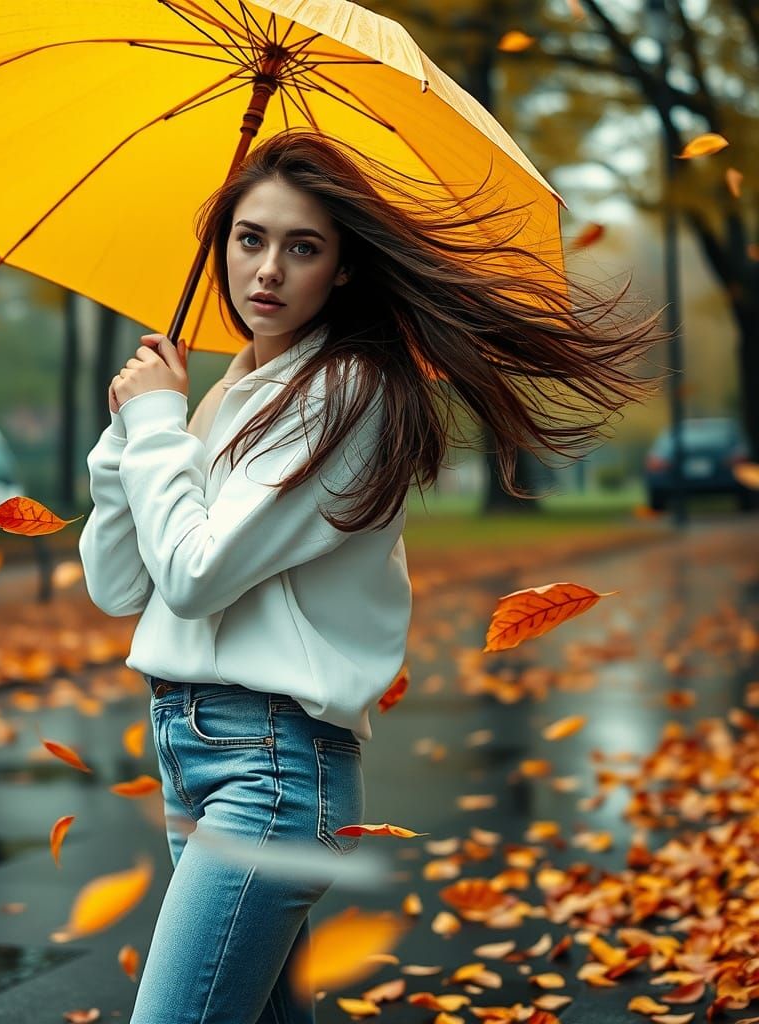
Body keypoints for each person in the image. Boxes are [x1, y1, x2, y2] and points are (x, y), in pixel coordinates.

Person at [77, 129, 666, 1023]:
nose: (267, 269)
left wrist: (159, 427)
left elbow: (195, 578)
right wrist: (129, 437)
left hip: (271, 769)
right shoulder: (234, 390)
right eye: (249, 239)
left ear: (343, 268)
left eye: (302, 247)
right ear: (221, 245)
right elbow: (121, 586)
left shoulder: (349, 393)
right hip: (190, 751)